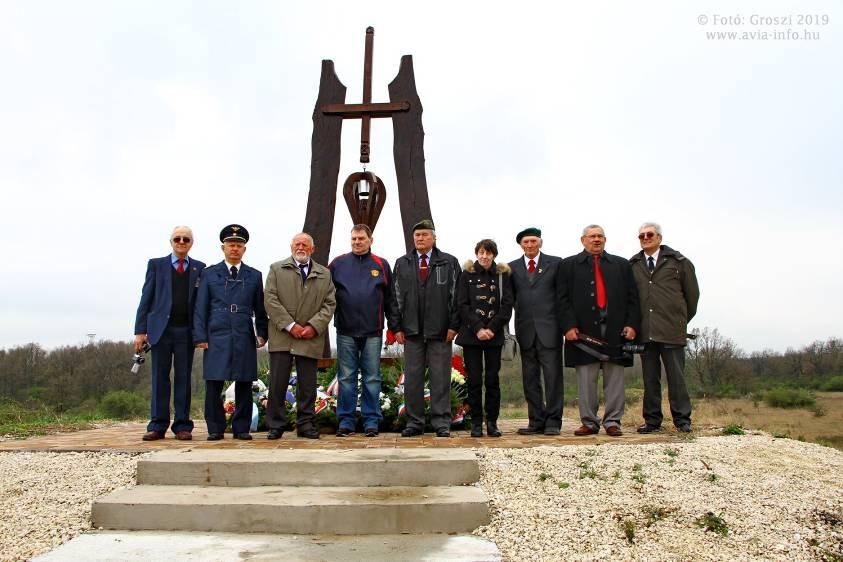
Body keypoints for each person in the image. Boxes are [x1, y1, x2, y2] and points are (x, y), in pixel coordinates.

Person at [560, 224, 640, 437]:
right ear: (583, 240)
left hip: (616, 329)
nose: (596, 240)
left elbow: (633, 298)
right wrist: (568, 326)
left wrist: (632, 325)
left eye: (600, 236)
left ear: (605, 240)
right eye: (592, 236)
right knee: (586, 378)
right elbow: (562, 299)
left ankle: (613, 421)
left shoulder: (621, 265)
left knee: (615, 378)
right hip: (582, 331)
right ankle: (589, 422)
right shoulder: (568, 265)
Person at [193, 224, 268, 441]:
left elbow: (260, 308)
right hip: (217, 332)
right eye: (230, 245)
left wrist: (262, 332)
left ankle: (241, 427)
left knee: (244, 381)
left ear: (244, 249)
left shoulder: (254, 275)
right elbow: (200, 308)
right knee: (214, 382)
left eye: (239, 245)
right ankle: (215, 428)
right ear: (223, 248)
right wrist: (200, 336)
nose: (234, 248)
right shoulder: (209, 274)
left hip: (243, 332)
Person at [134, 226, 205, 441]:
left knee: (184, 379)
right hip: (160, 332)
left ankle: (183, 425)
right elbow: (146, 298)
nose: (181, 242)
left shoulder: (199, 268)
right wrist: (140, 331)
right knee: (160, 379)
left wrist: (201, 333)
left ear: (191, 243)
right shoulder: (156, 265)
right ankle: (157, 425)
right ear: (171, 241)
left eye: (186, 239)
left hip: (185, 331)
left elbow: (202, 304)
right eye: (177, 238)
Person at [392, 219, 461, 438]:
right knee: (412, 379)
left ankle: (441, 422)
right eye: (417, 235)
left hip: (440, 331)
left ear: (434, 237)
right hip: (411, 331)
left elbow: (457, 297)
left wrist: (453, 325)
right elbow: (395, 298)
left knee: (440, 378)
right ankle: (415, 422)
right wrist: (396, 327)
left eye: (424, 235)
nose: (420, 239)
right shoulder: (402, 263)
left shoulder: (449, 262)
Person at [264, 232, 336, 440]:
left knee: (307, 385)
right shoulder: (276, 269)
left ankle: (305, 424)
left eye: (305, 244)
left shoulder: (324, 274)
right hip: (282, 336)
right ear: (291, 247)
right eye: (297, 244)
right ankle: (275, 425)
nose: (301, 247)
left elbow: (329, 303)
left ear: (312, 249)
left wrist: (314, 326)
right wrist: (290, 325)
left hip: (310, 337)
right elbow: (270, 299)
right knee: (278, 383)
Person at [629, 222, 700, 433]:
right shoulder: (633, 265)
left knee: (676, 377)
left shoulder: (679, 262)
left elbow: (692, 297)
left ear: (659, 237)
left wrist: (680, 320)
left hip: (671, 330)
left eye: (649, 234)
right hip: (645, 330)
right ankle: (652, 420)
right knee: (650, 378)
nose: (645, 238)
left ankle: (682, 420)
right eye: (641, 236)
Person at [329, 224, 398, 437]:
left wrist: (394, 327)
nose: (357, 242)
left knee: (372, 378)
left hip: (373, 331)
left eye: (361, 239)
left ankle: (371, 421)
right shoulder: (337, 264)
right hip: (346, 330)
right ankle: (346, 421)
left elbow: (391, 300)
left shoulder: (381, 264)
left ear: (370, 240)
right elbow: (326, 296)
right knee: (347, 377)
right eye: (354, 239)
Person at [508, 227, 565, 436]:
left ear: (540, 242)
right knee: (530, 379)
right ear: (521, 245)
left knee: (553, 378)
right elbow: (510, 299)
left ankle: (553, 421)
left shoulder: (556, 263)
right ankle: (536, 420)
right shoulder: (511, 267)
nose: (530, 245)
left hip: (550, 330)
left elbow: (562, 296)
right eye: (526, 242)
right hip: (525, 330)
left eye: (533, 241)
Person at [456, 239, 513, 438]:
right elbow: (461, 305)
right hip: (472, 335)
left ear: (494, 255)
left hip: (494, 336)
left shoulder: (502, 275)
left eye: (488, 253)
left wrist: (492, 328)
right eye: (481, 252)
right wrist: (479, 328)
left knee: (492, 380)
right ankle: (476, 422)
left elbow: (507, 306)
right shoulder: (466, 275)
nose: (484, 256)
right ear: (477, 253)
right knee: (473, 380)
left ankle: (492, 422)